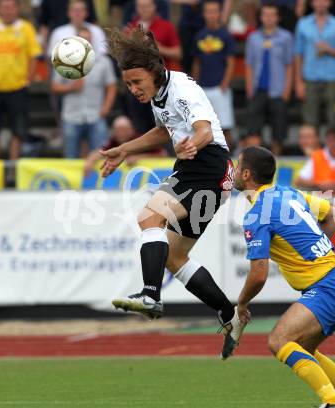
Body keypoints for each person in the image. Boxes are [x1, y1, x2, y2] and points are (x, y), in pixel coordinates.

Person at [100, 27, 245, 358]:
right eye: (128, 85)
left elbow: (204, 129)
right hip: (200, 170)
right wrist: (124, 148)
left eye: (137, 82)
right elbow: (165, 130)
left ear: (155, 71)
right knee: (176, 257)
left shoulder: (181, 90)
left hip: (208, 167)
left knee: (149, 217)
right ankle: (230, 314)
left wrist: (192, 143)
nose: (134, 89)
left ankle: (150, 295)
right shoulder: (159, 93)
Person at [232, 146, 335, 408]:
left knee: (279, 340)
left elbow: (258, 275)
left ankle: (333, 403)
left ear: (246, 174)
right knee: (306, 350)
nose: (234, 171)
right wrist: (316, 250)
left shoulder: (257, 214)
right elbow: (333, 214)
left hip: (328, 286)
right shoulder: (287, 192)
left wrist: (242, 304)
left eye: (237, 166)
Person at [51, 26, 117, 158]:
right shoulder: (63, 60)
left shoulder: (103, 61)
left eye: (88, 39)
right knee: (70, 158)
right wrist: (70, 88)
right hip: (71, 116)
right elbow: (54, 86)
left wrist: (106, 108)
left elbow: (112, 86)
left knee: (100, 158)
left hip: (96, 115)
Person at [125, 0, 181, 135]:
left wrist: (158, 48)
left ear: (154, 7)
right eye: (140, 6)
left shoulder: (166, 26)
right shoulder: (131, 27)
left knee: (164, 125)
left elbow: (178, 53)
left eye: (147, 6)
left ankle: (164, 154)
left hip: (160, 84)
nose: (143, 9)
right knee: (140, 124)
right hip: (138, 85)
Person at [245, 3, 294, 156]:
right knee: (253, 127)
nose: (269, 18)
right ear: (260, 17)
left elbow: (289, 65)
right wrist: (249, 88)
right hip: (257, 89)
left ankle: (275, 160)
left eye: (272, 15)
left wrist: (287, 89)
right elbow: (249, 65)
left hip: (278, 90)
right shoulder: (253, 38)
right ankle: (255, 161)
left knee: (278, 129)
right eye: (265, 15)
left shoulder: (286, 37)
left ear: (278, 18)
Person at [295, 0, 335, 129]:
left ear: (330, 3)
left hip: (333, 78)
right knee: (310, 121)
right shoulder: (303, 24)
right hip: (310, 78)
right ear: (312, 3)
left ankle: (333, 149)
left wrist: (330, 50)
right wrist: (298, 82)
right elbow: (298, 55)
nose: (321, 3)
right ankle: (313, 150)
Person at [0, 0, 42, 160]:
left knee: (18, 130)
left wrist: (28, 79)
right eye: (4, 7)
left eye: (11, 7)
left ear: (17, 9)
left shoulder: (26, 28)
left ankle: (13, 168)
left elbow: (34, 56)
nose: (8, 11)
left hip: (17, 89)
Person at [193, 0, 236, 150]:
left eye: (214, 11)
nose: (211, 15)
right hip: (203, 88)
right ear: (204, 14)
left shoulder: (225, 35)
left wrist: (225, 82)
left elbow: (231, 62)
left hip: (219, 87)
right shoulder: (200, 35)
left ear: (219, 13)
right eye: (208, 11)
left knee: (225, 125)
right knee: (202, 126)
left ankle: (229, 157)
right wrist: (195, 84)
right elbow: (197, 62)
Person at [84, 115, 167, 175]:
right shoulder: (113, 141)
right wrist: (90, 161)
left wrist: (139, 158)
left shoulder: (140, 139)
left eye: (124, 130)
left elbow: (162, 154)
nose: (121, 134)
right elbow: (102, 152)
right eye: (118, 130)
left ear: (131, 130)